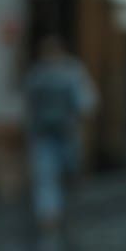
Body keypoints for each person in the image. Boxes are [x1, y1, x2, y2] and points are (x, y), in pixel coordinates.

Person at [22, 34, 97, 232]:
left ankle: (51, 213)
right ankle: (52, 213)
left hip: (48, 133)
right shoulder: (71, 72)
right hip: (62, 132)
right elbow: (86, 102)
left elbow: (28, 104)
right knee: (54, 172)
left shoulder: (38, 74)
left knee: (49, 174)